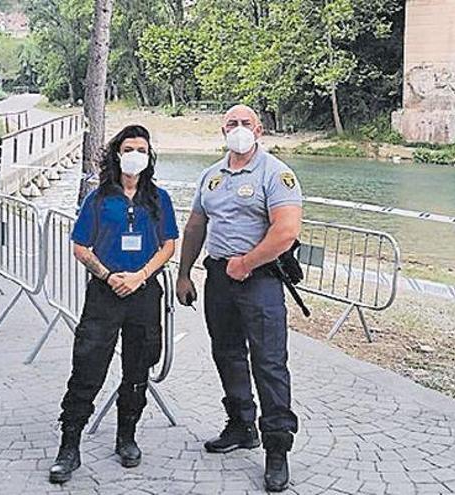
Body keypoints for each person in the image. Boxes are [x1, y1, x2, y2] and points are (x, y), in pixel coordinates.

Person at [176, 105, 302, 492]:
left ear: (259, 129)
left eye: (246, 123)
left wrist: (246, 263)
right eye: (232, 124)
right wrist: (184, 272)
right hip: (219, 278)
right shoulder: (211, 176)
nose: (239, 129)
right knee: (226, 352)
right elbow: (196, 225)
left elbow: (286, 232)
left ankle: (276, 448)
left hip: (260, 279)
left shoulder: (275, 174)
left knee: (268, 362)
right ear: (222, 130)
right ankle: (241, 424)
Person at [49, 125, 179, 484]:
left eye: (142, 148)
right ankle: (69, 444)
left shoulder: (159, 199)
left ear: (149, 155)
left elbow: (169, 244)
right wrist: (109, 276)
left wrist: (140, 276)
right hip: (105, 294)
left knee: (138, 368)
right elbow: (80, 246)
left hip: (144, 293)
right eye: (129, 147)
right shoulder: (98, 199)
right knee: (88, 366)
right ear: (117, 153)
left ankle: (127, 437)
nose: (135, 154)